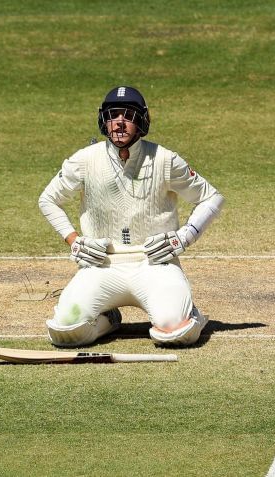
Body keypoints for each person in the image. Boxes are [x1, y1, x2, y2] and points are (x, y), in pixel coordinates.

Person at [38, 86, 224, 348]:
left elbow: (211, 197)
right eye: (114, 115)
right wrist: (74, 240)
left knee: (175, 333)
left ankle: (189, 314)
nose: (120, 123)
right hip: (102, 265)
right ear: (104, 120)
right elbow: (48, 199)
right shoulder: (84, 160)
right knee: (65, 331)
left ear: (142, 121)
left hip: (155, 263)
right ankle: (107, 318)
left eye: (128, 115)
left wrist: (183, 238)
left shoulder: (165, 159)